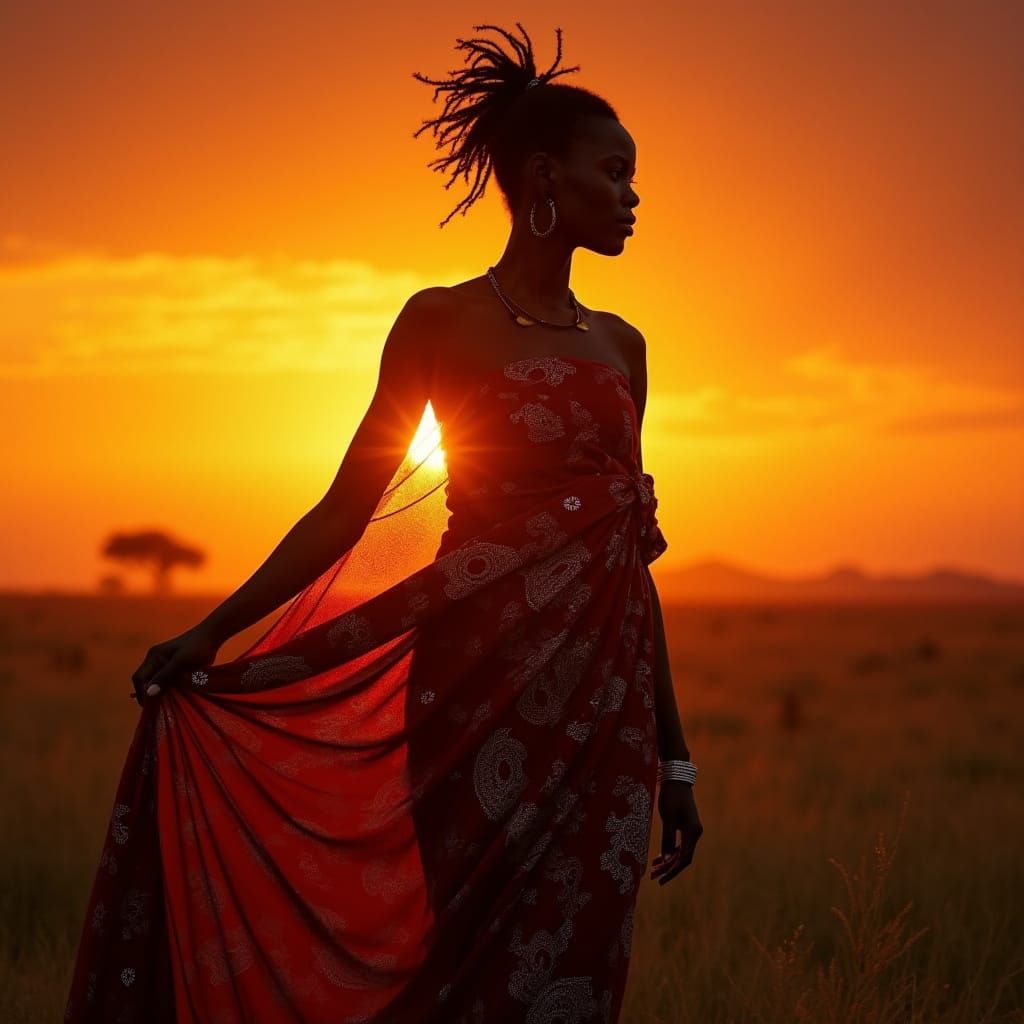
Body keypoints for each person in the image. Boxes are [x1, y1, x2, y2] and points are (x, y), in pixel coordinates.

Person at [64, 21, 702, 1024]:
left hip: (604, 710)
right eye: (613, 172)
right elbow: (345, 508)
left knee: (577, 964)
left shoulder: (625, 348)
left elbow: (629, 561)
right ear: (544, 177)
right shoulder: (439, 322)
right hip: (473, 684)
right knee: (465, 952)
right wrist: (210, 628)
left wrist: (674, 754)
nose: (633, 195)